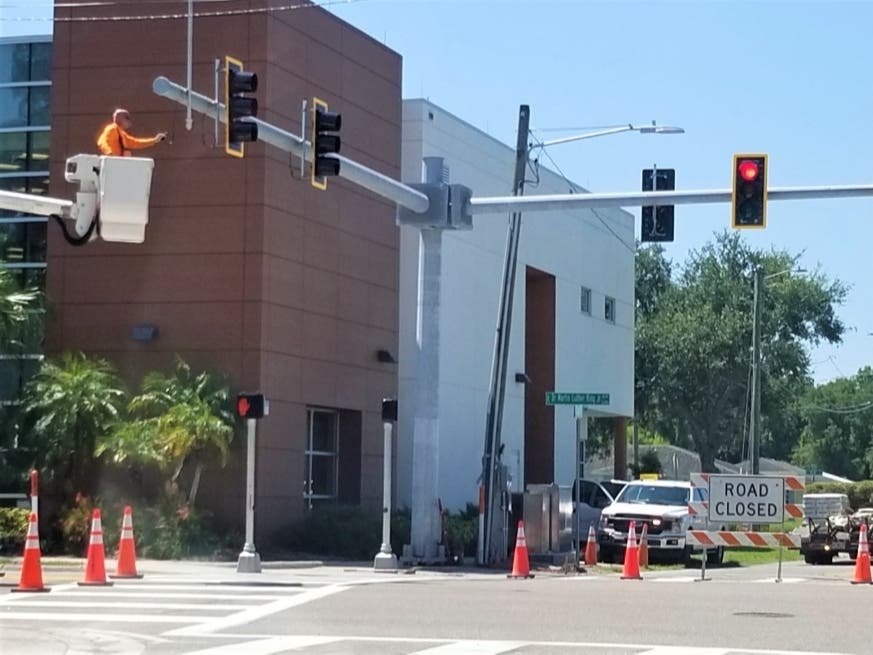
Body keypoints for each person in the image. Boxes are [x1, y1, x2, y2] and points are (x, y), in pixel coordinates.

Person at [96, 108, 167, 157]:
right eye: (126, 118)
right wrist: (109, 153)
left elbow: (135, 142)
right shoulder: (112, 129)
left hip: (118, 163)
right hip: (112, 162)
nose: (129, 121)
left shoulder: (121, 133)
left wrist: (154, 140)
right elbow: (102, 142)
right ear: (120, 118)